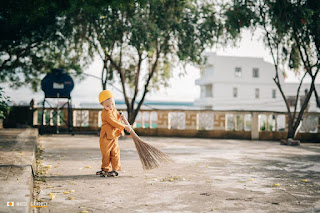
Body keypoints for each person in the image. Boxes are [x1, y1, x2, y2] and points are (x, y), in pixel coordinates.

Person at [96, 90, 131, 177]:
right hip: (106, 137)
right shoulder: (105, 114)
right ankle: (105, 168)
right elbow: (113, 122)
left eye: (112, 104)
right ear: (102, 105)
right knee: (106, 153)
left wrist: (120, 115)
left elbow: (116, 116)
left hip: (114, 135)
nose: (111, 107)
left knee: (115, 152)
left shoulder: (113, 109)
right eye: (107, 106)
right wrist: (124, 126)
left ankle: (115, 169)